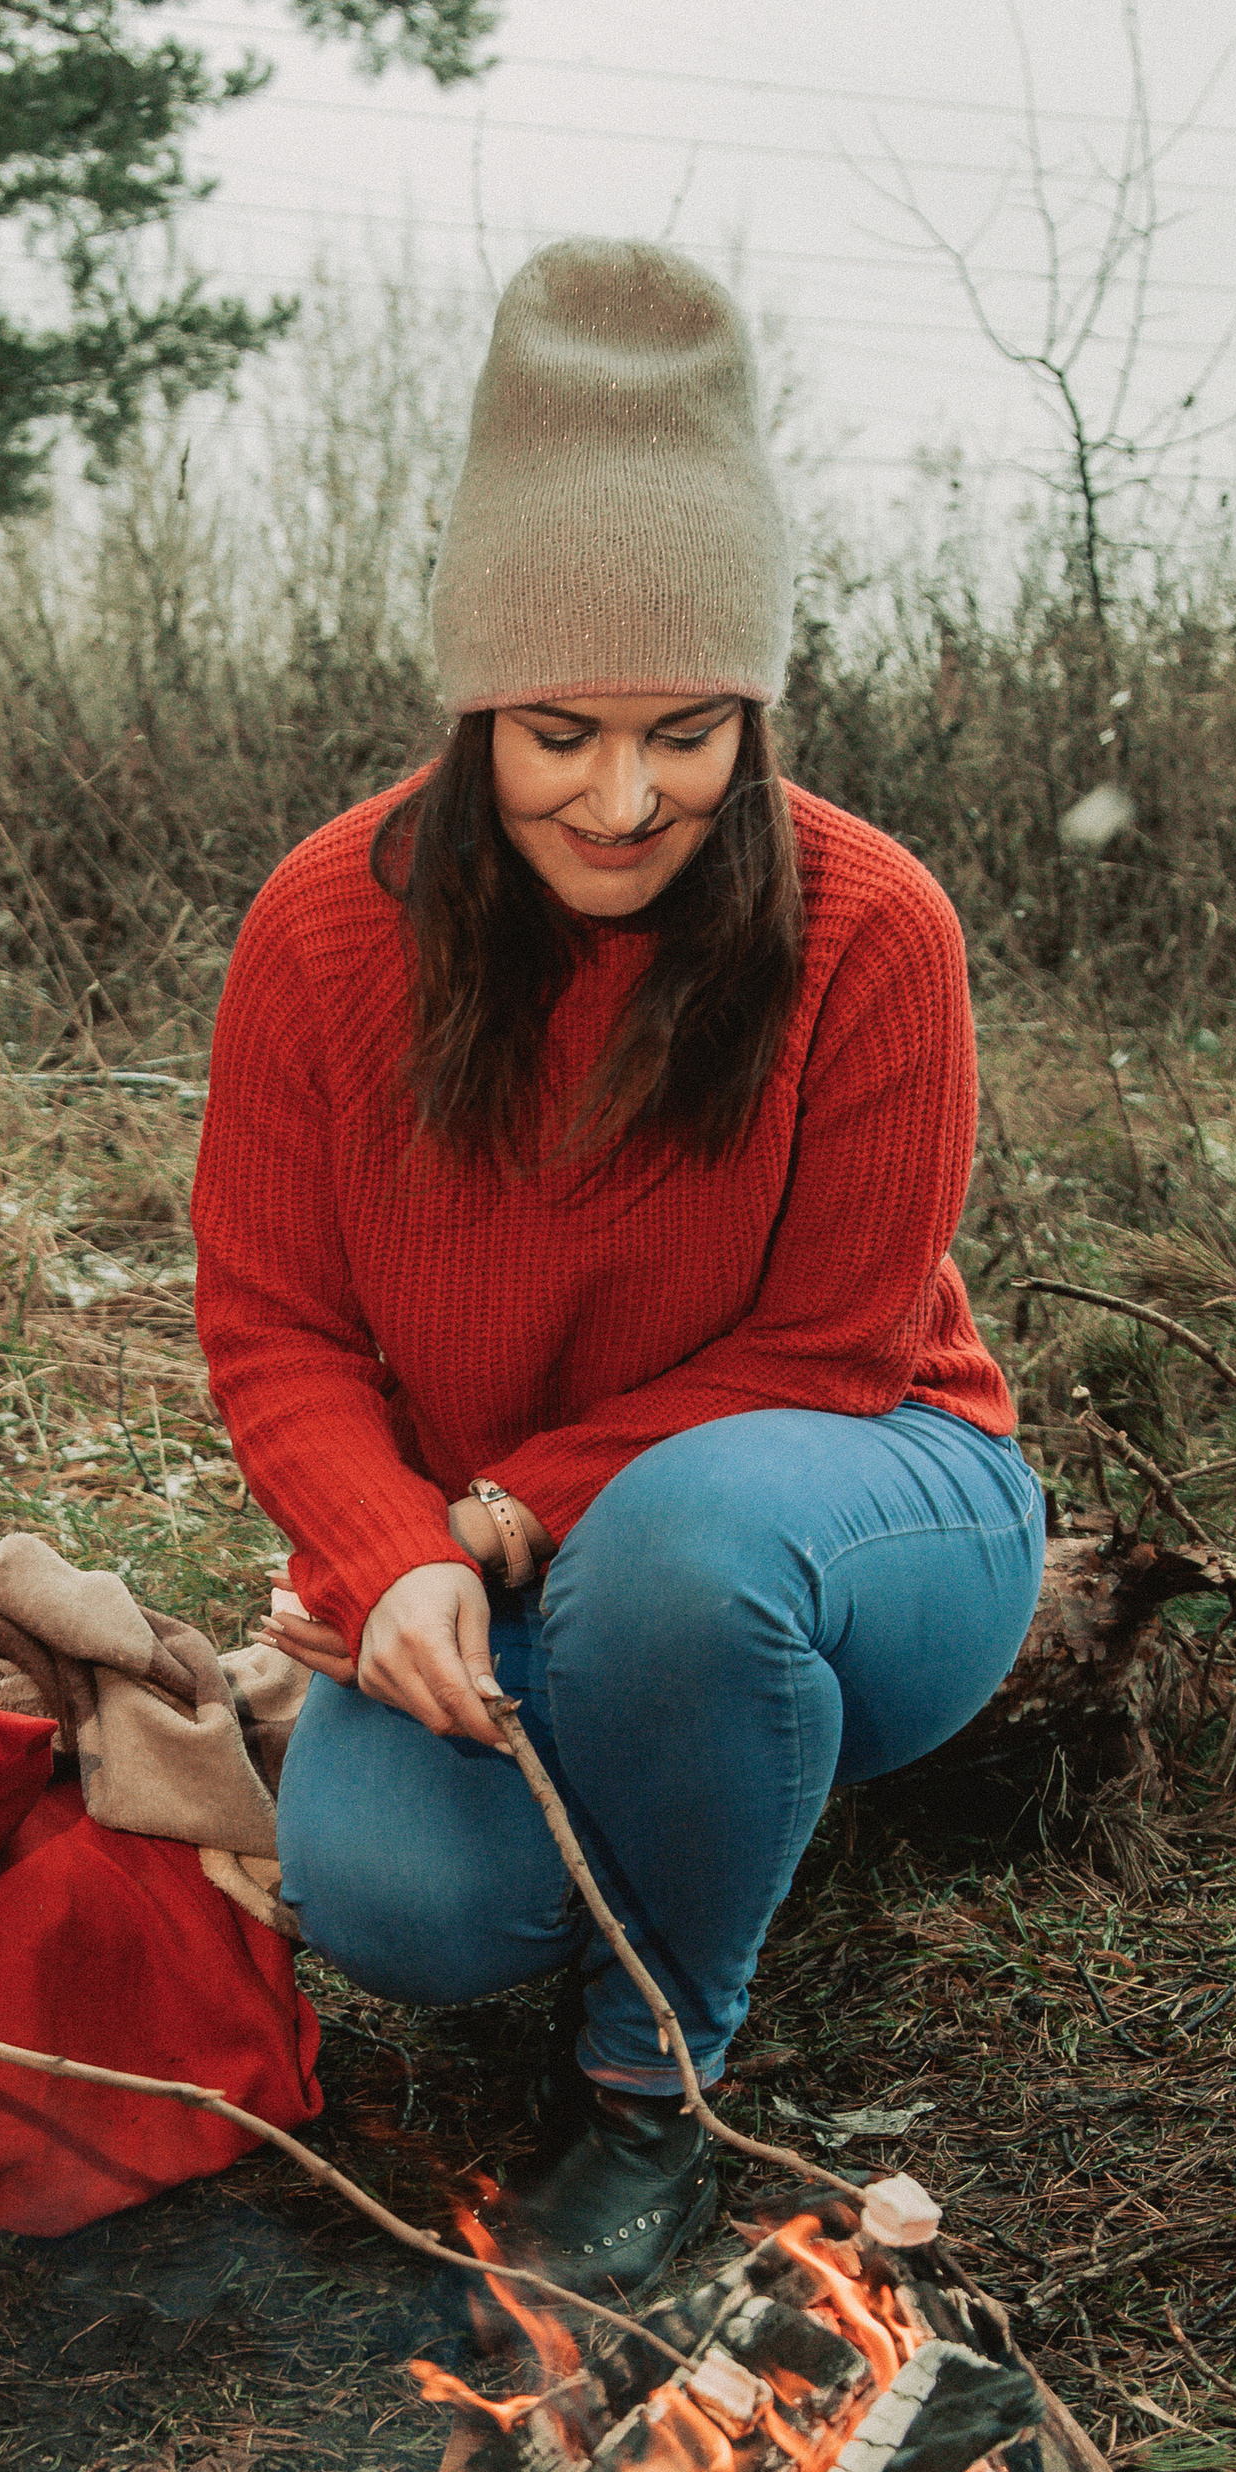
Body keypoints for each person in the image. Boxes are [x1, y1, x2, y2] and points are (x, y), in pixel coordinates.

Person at [192, 241, 1044, 2303]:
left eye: (686, 731)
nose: (625, 795)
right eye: (557, 731)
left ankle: (650, 2079)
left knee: (685, 1556)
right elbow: (272, 1323)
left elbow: (832, 1339)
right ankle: (692, 1781)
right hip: (502, 1559)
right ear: (474, 702)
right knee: (394, 1902)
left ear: (752, 707)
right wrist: (384, 1554)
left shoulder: (868, 928)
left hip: (865, 1493)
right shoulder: (322, 931)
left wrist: (491, 1516)